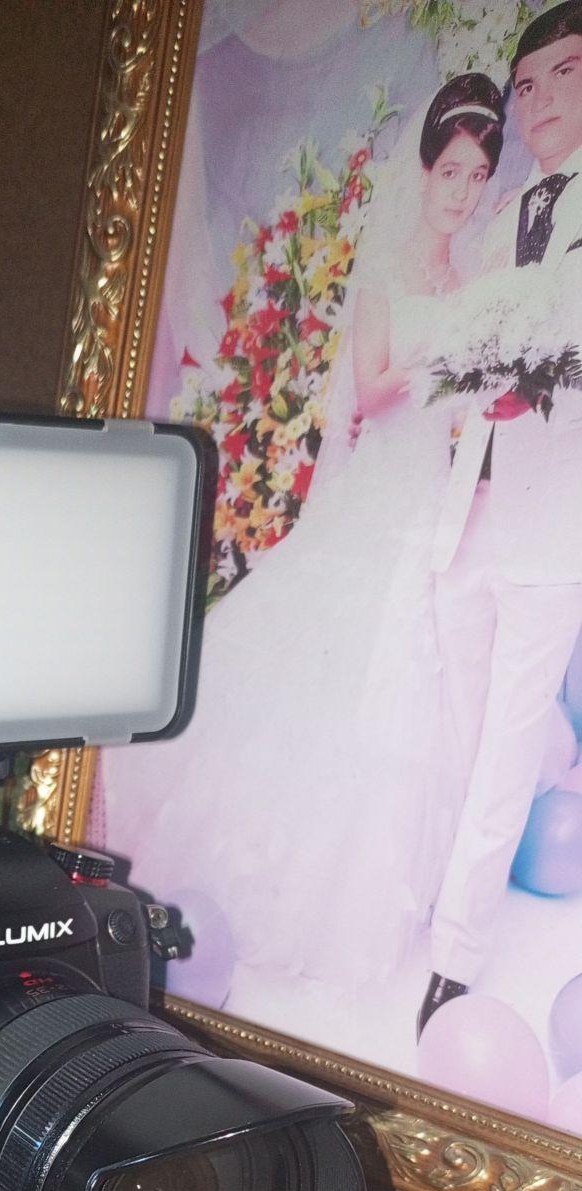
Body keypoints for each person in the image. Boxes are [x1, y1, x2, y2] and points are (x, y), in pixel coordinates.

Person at [100, 75, 506, 989]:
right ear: (426, 171)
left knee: (407, 689)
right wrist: (452, 357)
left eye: (478, 177)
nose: (462, 192)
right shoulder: (393, 267)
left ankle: (366, 901)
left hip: (431, 501)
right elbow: (370, 387)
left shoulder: (472, 277)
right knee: (333, 673)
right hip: (377, 496)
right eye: (451, 172)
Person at [421, 2, 582, 1038]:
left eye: (564, 74)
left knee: (509, 743)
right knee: (455, 727)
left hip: (556, 527)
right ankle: (428, 904)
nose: (540, 100)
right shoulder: (498, 217)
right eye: (526, 85)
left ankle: (454, 957)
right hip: (466, 515)